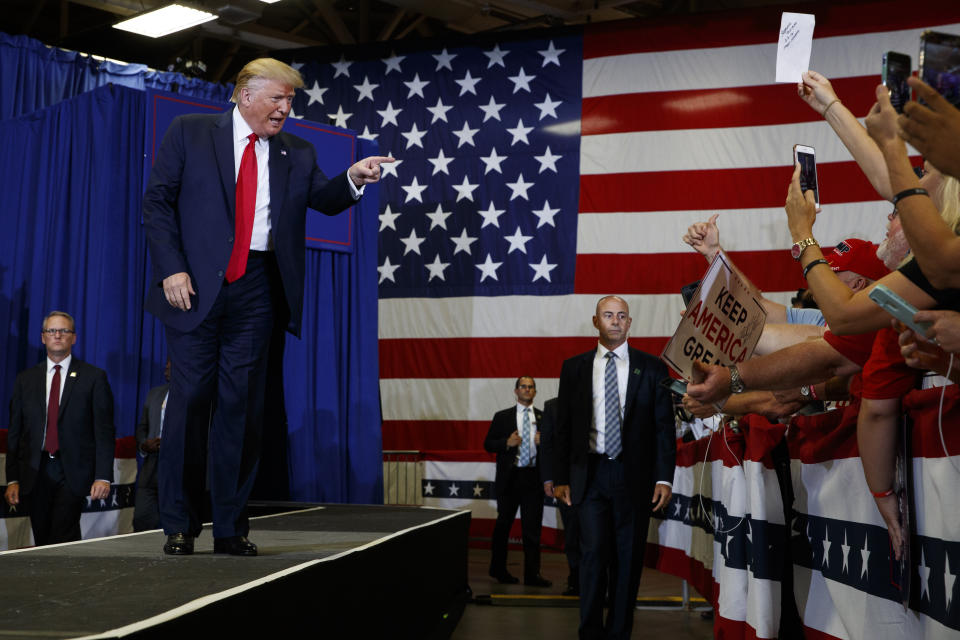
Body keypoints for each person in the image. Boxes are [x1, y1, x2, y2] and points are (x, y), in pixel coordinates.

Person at [142, 57, 393, 556]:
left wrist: (354, 178)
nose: (285, 107)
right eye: (278, 98)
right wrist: (172, 268)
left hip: (259, 289)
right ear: (245, 95)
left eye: (290, 99)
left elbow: (322, 198)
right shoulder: (189, 132)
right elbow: (157, 203)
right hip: (193, 287)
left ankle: (231, 527)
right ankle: (179, 523)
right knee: (190, 406)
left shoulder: (296, 151)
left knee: (241, 411)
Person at [554, 296, 676, 640]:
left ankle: (619, 633)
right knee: (592, 557)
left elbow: (663, 428)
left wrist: (664, 477)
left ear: (630, 322)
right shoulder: (574, 368)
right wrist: (561, 477)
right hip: (589, 476)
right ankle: (590, 633)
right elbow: (563, 427)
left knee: (628, 559)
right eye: (608, 315)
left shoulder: (652, 368)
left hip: (633, 478)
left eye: (621, 316)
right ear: (596, 322)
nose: (615, 321)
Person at [4, 311, 115, 546]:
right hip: (36, 471)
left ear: (73, 338)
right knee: (42, 538)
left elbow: (104, 431)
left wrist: (103, 476)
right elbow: (15, 433)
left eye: (64, 331)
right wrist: (12, 479)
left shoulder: (93, 377)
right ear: (43, 337)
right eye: (51, 331)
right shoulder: (26, 379)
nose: (57, 335)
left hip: (72, 471)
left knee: (64, 537)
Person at [484, 377, 551, 587]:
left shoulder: (545, 417)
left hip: (533, 478)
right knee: (503, 526)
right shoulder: (502, 417)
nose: (527, 389)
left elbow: (557, 445)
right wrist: (506, 442)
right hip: (510, 479)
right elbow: (488, 444)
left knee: (532, 530)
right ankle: (498, 570)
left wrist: (546, 442)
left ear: (535, 392)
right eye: (523, 386)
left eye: (530, 387)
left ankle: (532, 575)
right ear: (516, 391)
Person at [539, 396, 580, 595]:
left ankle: (598, 579)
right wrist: (548, 479)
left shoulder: (597, 399)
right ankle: (575, 578)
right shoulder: (552, 406)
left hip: (595, 479)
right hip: (565, 482)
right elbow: (546, 445)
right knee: (572, 532)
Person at [133, 358, 170, 532]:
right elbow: (142, 427)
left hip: (177, 466)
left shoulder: (192, 395)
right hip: (151, 467)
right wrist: (144, 445)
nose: (167, 369)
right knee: (142, 519)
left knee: (173, 521)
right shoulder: (155, 393)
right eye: (167, 364)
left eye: (172, 365)